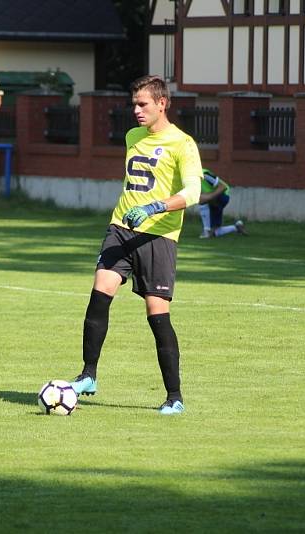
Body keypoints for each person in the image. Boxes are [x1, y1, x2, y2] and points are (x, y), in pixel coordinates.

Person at [69, 75, 202, 415]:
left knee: (156, 314)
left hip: (159, 235)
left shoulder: (182, 143)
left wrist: (155, 207)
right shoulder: (133, 136)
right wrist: (133, 210)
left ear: (162, 103)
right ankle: (88, 375)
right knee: (101, 290)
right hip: (122, 227)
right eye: (134, 104)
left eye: (143, 104)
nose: (137, 111)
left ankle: (175, 397)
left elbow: (193, 193)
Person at [198, 168, 247, 238]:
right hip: (213, 199)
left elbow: (222, 187)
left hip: (222, 196)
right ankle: (237, 227)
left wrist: (209, 197)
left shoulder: (204, 174)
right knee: (215, 231)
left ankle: (206, 230)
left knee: (202, 200)